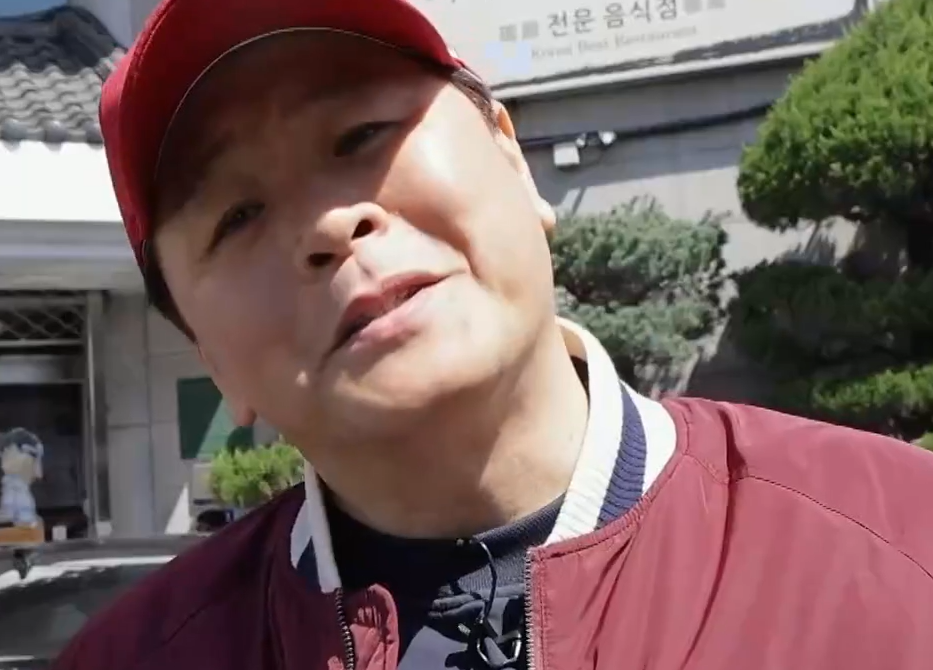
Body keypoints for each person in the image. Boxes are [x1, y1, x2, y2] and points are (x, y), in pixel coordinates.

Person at [54, 0, 933, 668]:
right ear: (209, 356)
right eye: (237, 215)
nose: (329, 225)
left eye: (360, 134)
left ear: (512, 159)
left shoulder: (900, 543)